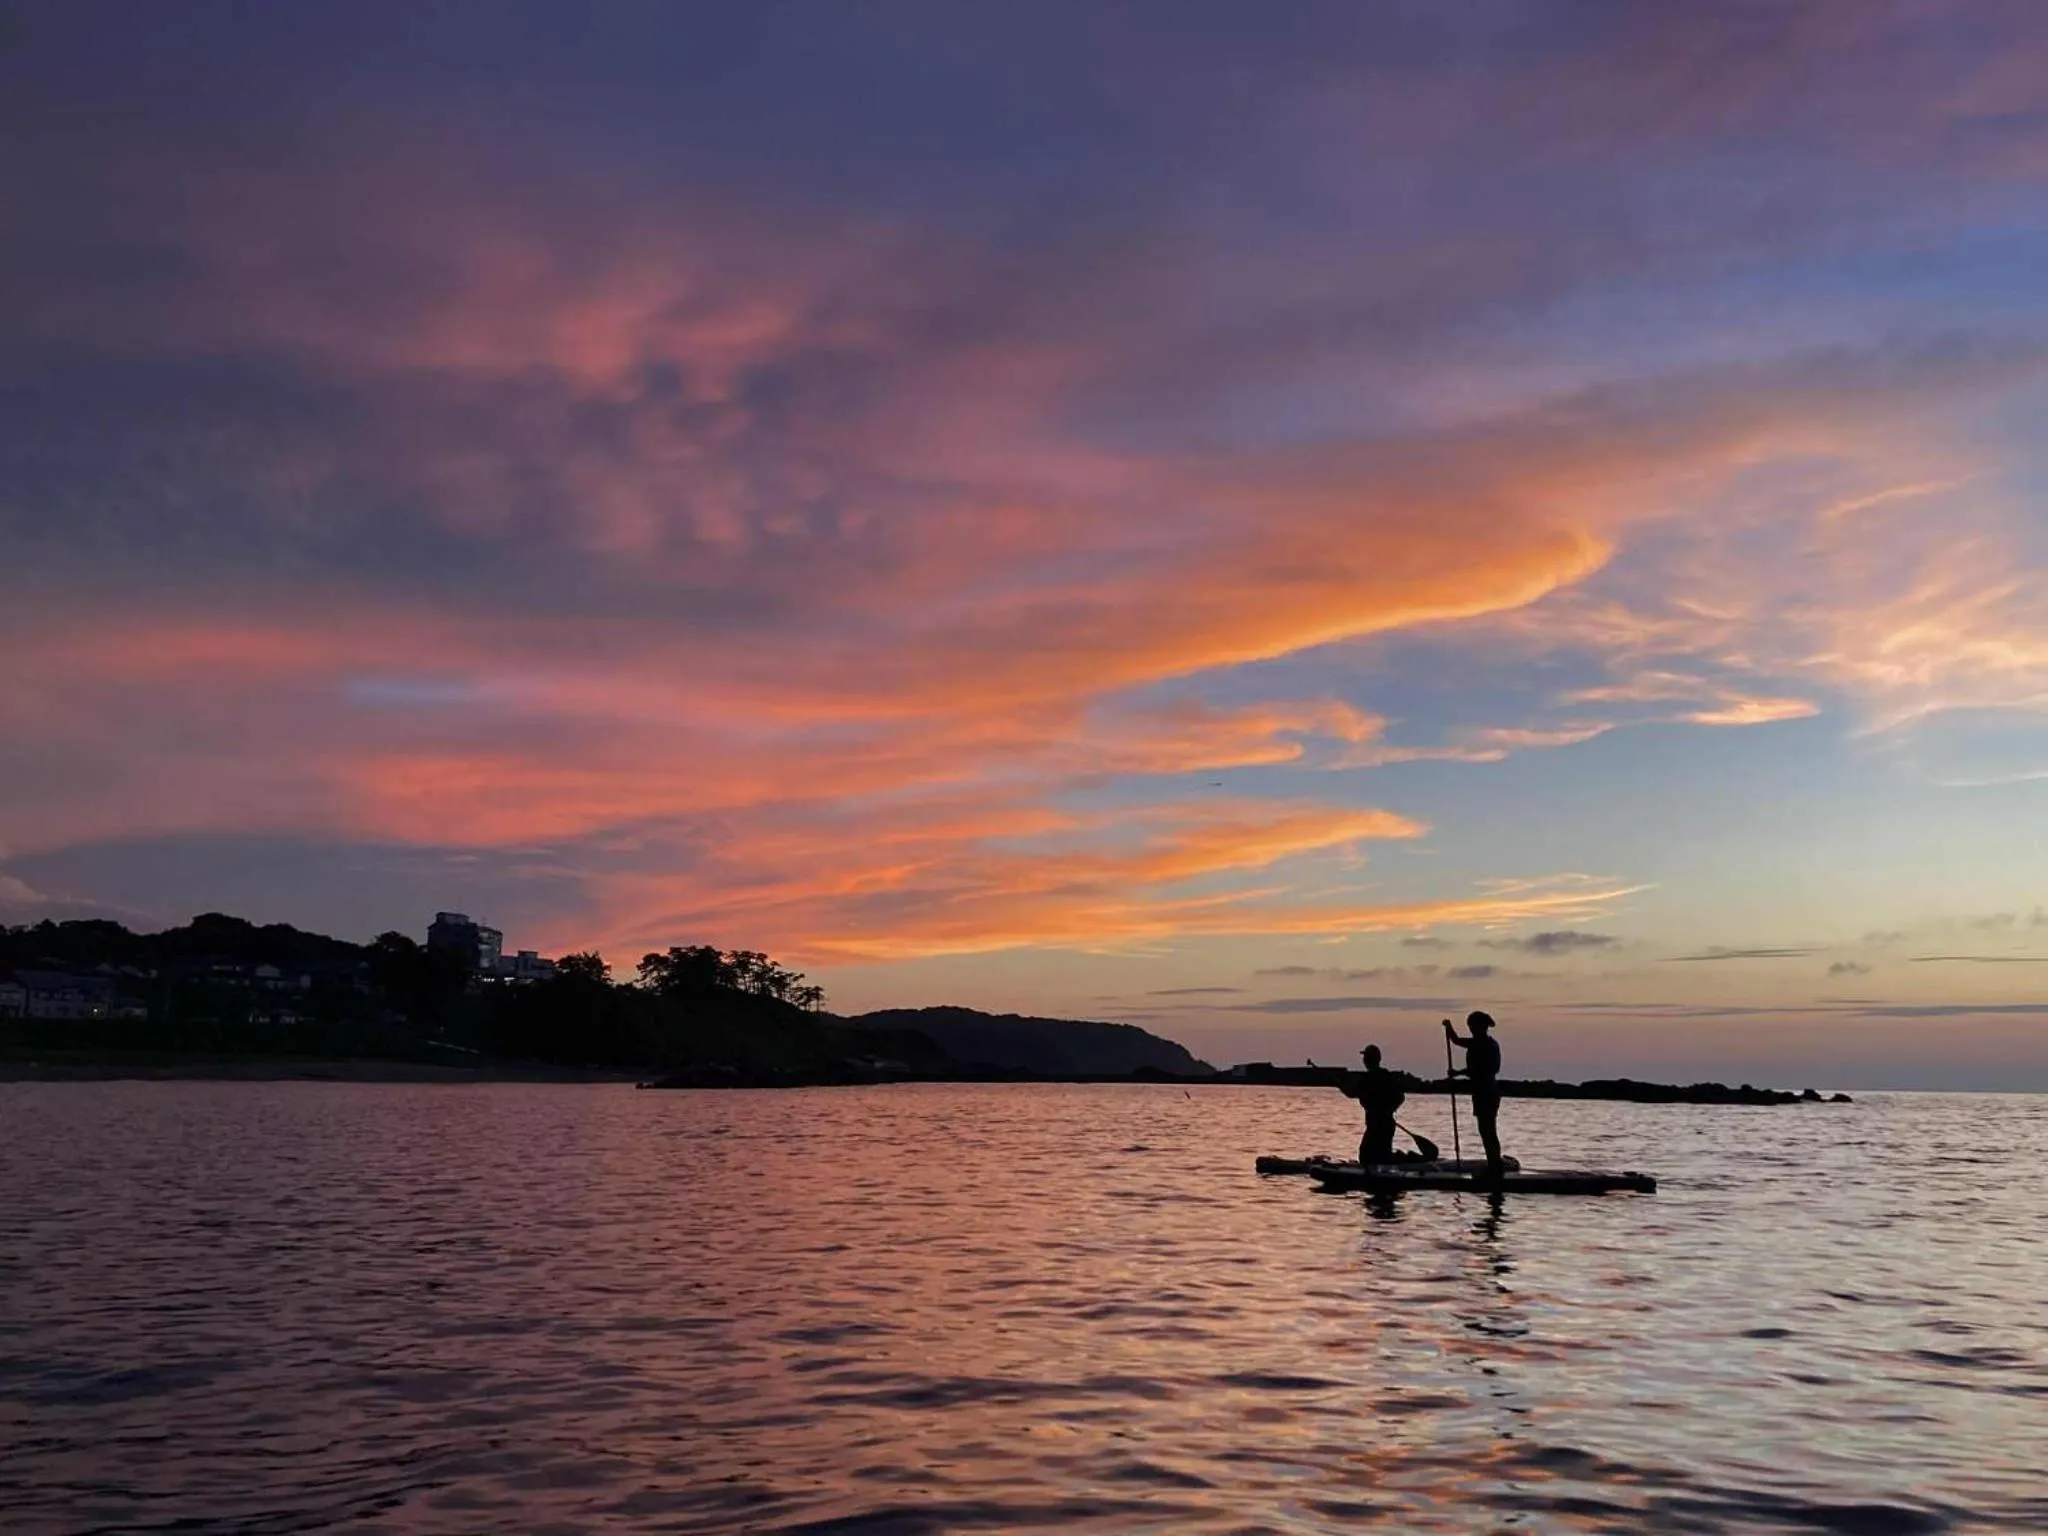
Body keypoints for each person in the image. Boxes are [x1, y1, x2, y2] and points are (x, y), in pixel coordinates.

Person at [1444, 1011, 1505, 1173]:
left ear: (1480, 1026)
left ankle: (1495, 1164)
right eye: (1469, 1026)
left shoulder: (1483, 1044)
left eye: (1472, 1025)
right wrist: (1448, 1027)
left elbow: (1479, 1070)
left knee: (1487, 1130)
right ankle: (1494, 1162)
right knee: (1487, 1129)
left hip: (1486, 1092)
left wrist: (1457, 1073)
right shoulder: (1484, 1042)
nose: (1470, 1029)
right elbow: (1456, 1040)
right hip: (1485, 1091)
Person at [1340, 1044, 1412, 1165]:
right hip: (1381, 1124)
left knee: (1368, 1155)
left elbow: (1400, 1097)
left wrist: (1388, 1110)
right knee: (1375, 1156)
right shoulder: (1379, 1077)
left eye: (1366, 1058)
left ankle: (1403, 1160)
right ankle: (1395, 1162)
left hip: (1381, 1125)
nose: (1364, 1061)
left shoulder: (1375, 1078)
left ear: (1369, 1060)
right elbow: (1353, 1093)